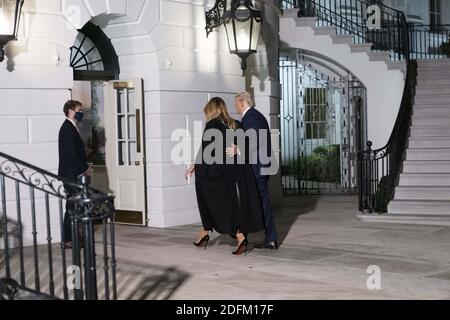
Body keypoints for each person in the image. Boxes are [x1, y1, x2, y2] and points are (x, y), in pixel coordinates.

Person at [185, 97, 264, 255]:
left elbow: (206, 150)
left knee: (208, 197)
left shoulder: (212, 125)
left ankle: (233, 234)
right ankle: (206, 232)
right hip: (236, 170)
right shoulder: (235, 124)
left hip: (219, 170)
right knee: (228, 202)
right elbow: (249, 144)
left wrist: (197, 166)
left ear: (211, 110)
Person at [228, 92, 279, 250]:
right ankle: (253, 234)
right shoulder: (253, 116)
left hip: (258, 168)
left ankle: (269, 238)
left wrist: (239, 150)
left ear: (242, 102)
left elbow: (255, 138)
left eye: (236, 103)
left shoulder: (251, 117)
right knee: (256, 202)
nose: (235, 106)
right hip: (260, 167)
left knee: (261, 203)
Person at [58, 100, 93, 249]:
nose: (81, 113)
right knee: (72, 206)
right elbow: (71, 154)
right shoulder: (67, 128)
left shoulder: (71, 127)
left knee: (74, 206)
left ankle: (73, 237)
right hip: (71, 175)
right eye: (79, 110)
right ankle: (68, 239)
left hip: (73, 173)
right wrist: (84, 168)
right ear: (71, 111)